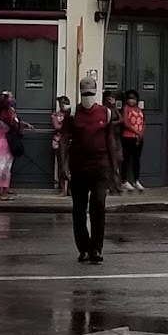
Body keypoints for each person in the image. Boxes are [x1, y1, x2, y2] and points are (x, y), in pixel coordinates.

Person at [62, 76, 119, 263]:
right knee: (78, 209)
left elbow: (110, 140)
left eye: (91, 93)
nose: (88, 96)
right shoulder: (72, 114)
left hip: (100, 167)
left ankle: (96, 248)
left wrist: (114, 167)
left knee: (98, 206)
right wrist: (63, 165)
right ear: (80, 93)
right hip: (78, 168)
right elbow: (64, 139)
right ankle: (84, 248)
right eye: (85, 93)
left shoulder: (106, 113)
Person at [119, 89, 146, 192]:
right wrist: (136, 132)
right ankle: (124, 180)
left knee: (136, 159)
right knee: (126, 159)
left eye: (133, 98)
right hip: (128, 136)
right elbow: (125, 123)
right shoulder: (126, 108)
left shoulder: (139, 109)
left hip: (138, 138)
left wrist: (141, 133)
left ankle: (136, 180)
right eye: (129, 98)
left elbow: (143, 122)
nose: (131, 100)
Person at [102, 91, 123, 194]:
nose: (111, 100)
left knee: (119, 159)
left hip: (117, 136)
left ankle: (117, 183)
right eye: (109, 98)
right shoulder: (104, 109)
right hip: (109, 137)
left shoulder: (114, 109)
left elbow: (121, 119)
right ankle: (113, 185)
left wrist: (114, 107)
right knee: (112, 162)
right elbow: (106, 122)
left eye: (113, 98)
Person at [52, 95, 72, 196]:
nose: (64, 105)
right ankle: (62, 188)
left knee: (70, 165)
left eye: (66, 103)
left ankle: (69, 188)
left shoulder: (72, 114)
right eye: (62, 103)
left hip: (70, 140)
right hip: (59, 140)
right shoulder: (56, 115)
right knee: (61, 164)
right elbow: (57, 127)